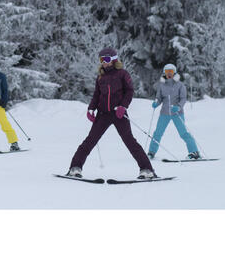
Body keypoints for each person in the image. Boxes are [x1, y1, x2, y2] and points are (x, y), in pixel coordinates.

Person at [66, 47, 156, 179]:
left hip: (118, 114)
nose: (104, 62)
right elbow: (97, 94)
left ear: (114, 60)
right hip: (103, 114)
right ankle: (75, 168)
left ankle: (147, 170)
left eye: (107, 59)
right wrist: (91, 108)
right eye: (102, 60)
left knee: (130, 141)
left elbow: (129, 91)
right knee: (90, 141)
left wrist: (123, 107)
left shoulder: (122, 74)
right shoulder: (100, 77)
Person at [147, 63, 200, 160]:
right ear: (164, 73)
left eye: (171, 71)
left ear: (174, 72)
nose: (169, 74)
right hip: (164, 113)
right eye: (167, 72)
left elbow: (183, 98)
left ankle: (194, 152)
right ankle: (151, 152)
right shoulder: (162, 85)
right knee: (157, 133)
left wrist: (178, 107)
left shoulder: (180, 85)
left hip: (177, 113)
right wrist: (156, 102)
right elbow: (159, 98)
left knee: (184, 133)